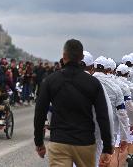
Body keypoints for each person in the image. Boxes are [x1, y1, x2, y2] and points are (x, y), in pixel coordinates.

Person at [34, 39, 113, 167]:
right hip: (85, 142)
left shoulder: (50, 81)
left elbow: (41, 112)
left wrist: (39, 142)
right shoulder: (93, 83)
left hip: (59, 141)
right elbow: (103, 116)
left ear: (64, 56)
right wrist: (107, 147)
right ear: (81, 57)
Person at [93, 56, 130, 166]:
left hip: (87, 129)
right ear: (110, 70)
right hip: (111, 130)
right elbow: (122, 113)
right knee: (109, 159)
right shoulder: (117, 87)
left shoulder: (87, 82)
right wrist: (125, 137)